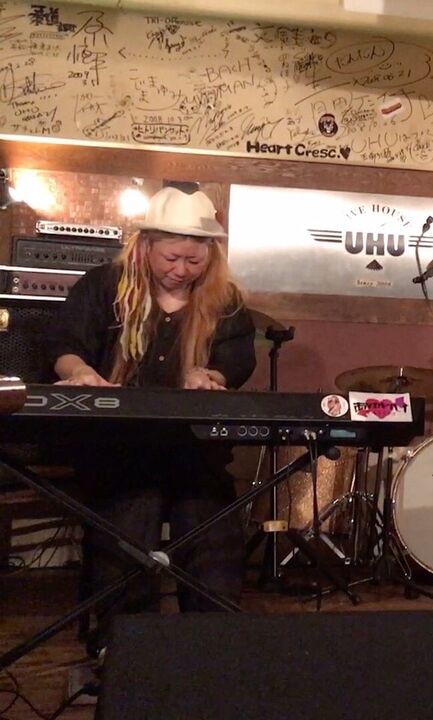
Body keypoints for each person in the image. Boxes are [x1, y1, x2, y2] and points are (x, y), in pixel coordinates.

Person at [48, 186, 255, 655]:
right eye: (171, 258)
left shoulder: (226, 302)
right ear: (145, 247)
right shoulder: (103, 286)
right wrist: (80, 372)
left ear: (210, 256)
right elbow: (64, 344)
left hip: (193, 452)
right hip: (119, 451)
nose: (181, 270)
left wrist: (208, 375)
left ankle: (212, 648)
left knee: (211, 523)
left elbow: (237, 360)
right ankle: (126, 649)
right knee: (129, 519)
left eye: (194, 260)